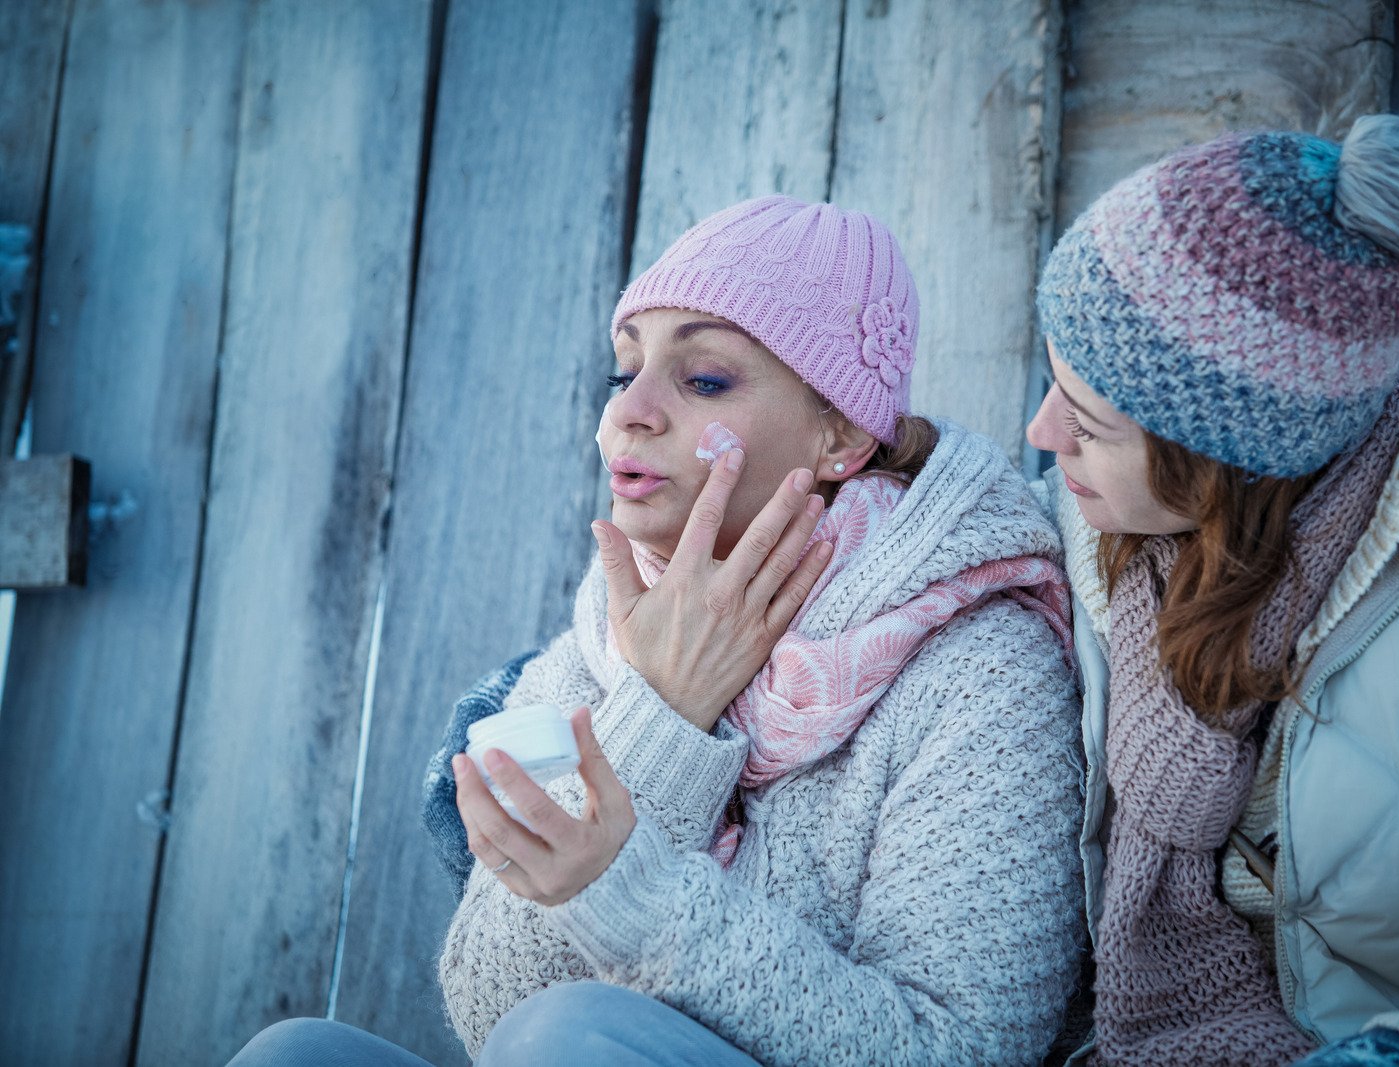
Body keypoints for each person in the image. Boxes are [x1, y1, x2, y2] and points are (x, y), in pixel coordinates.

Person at [230, 195, 1086, 1066]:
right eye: (623, 371)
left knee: (569, 1035)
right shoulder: (597, 646)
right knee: (292, 1054)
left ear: (840, 433)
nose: (627, 412)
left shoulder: (978, 664)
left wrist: (631, 893)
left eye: (703, 378)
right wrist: (663, 709)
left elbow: (964, 1047)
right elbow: (488, 1004)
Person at [1026, 114, 1399, 1066]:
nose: (1043, 435)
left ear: (1234, 460)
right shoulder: (1097, 536)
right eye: (1053, 383)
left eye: (1090, 423)